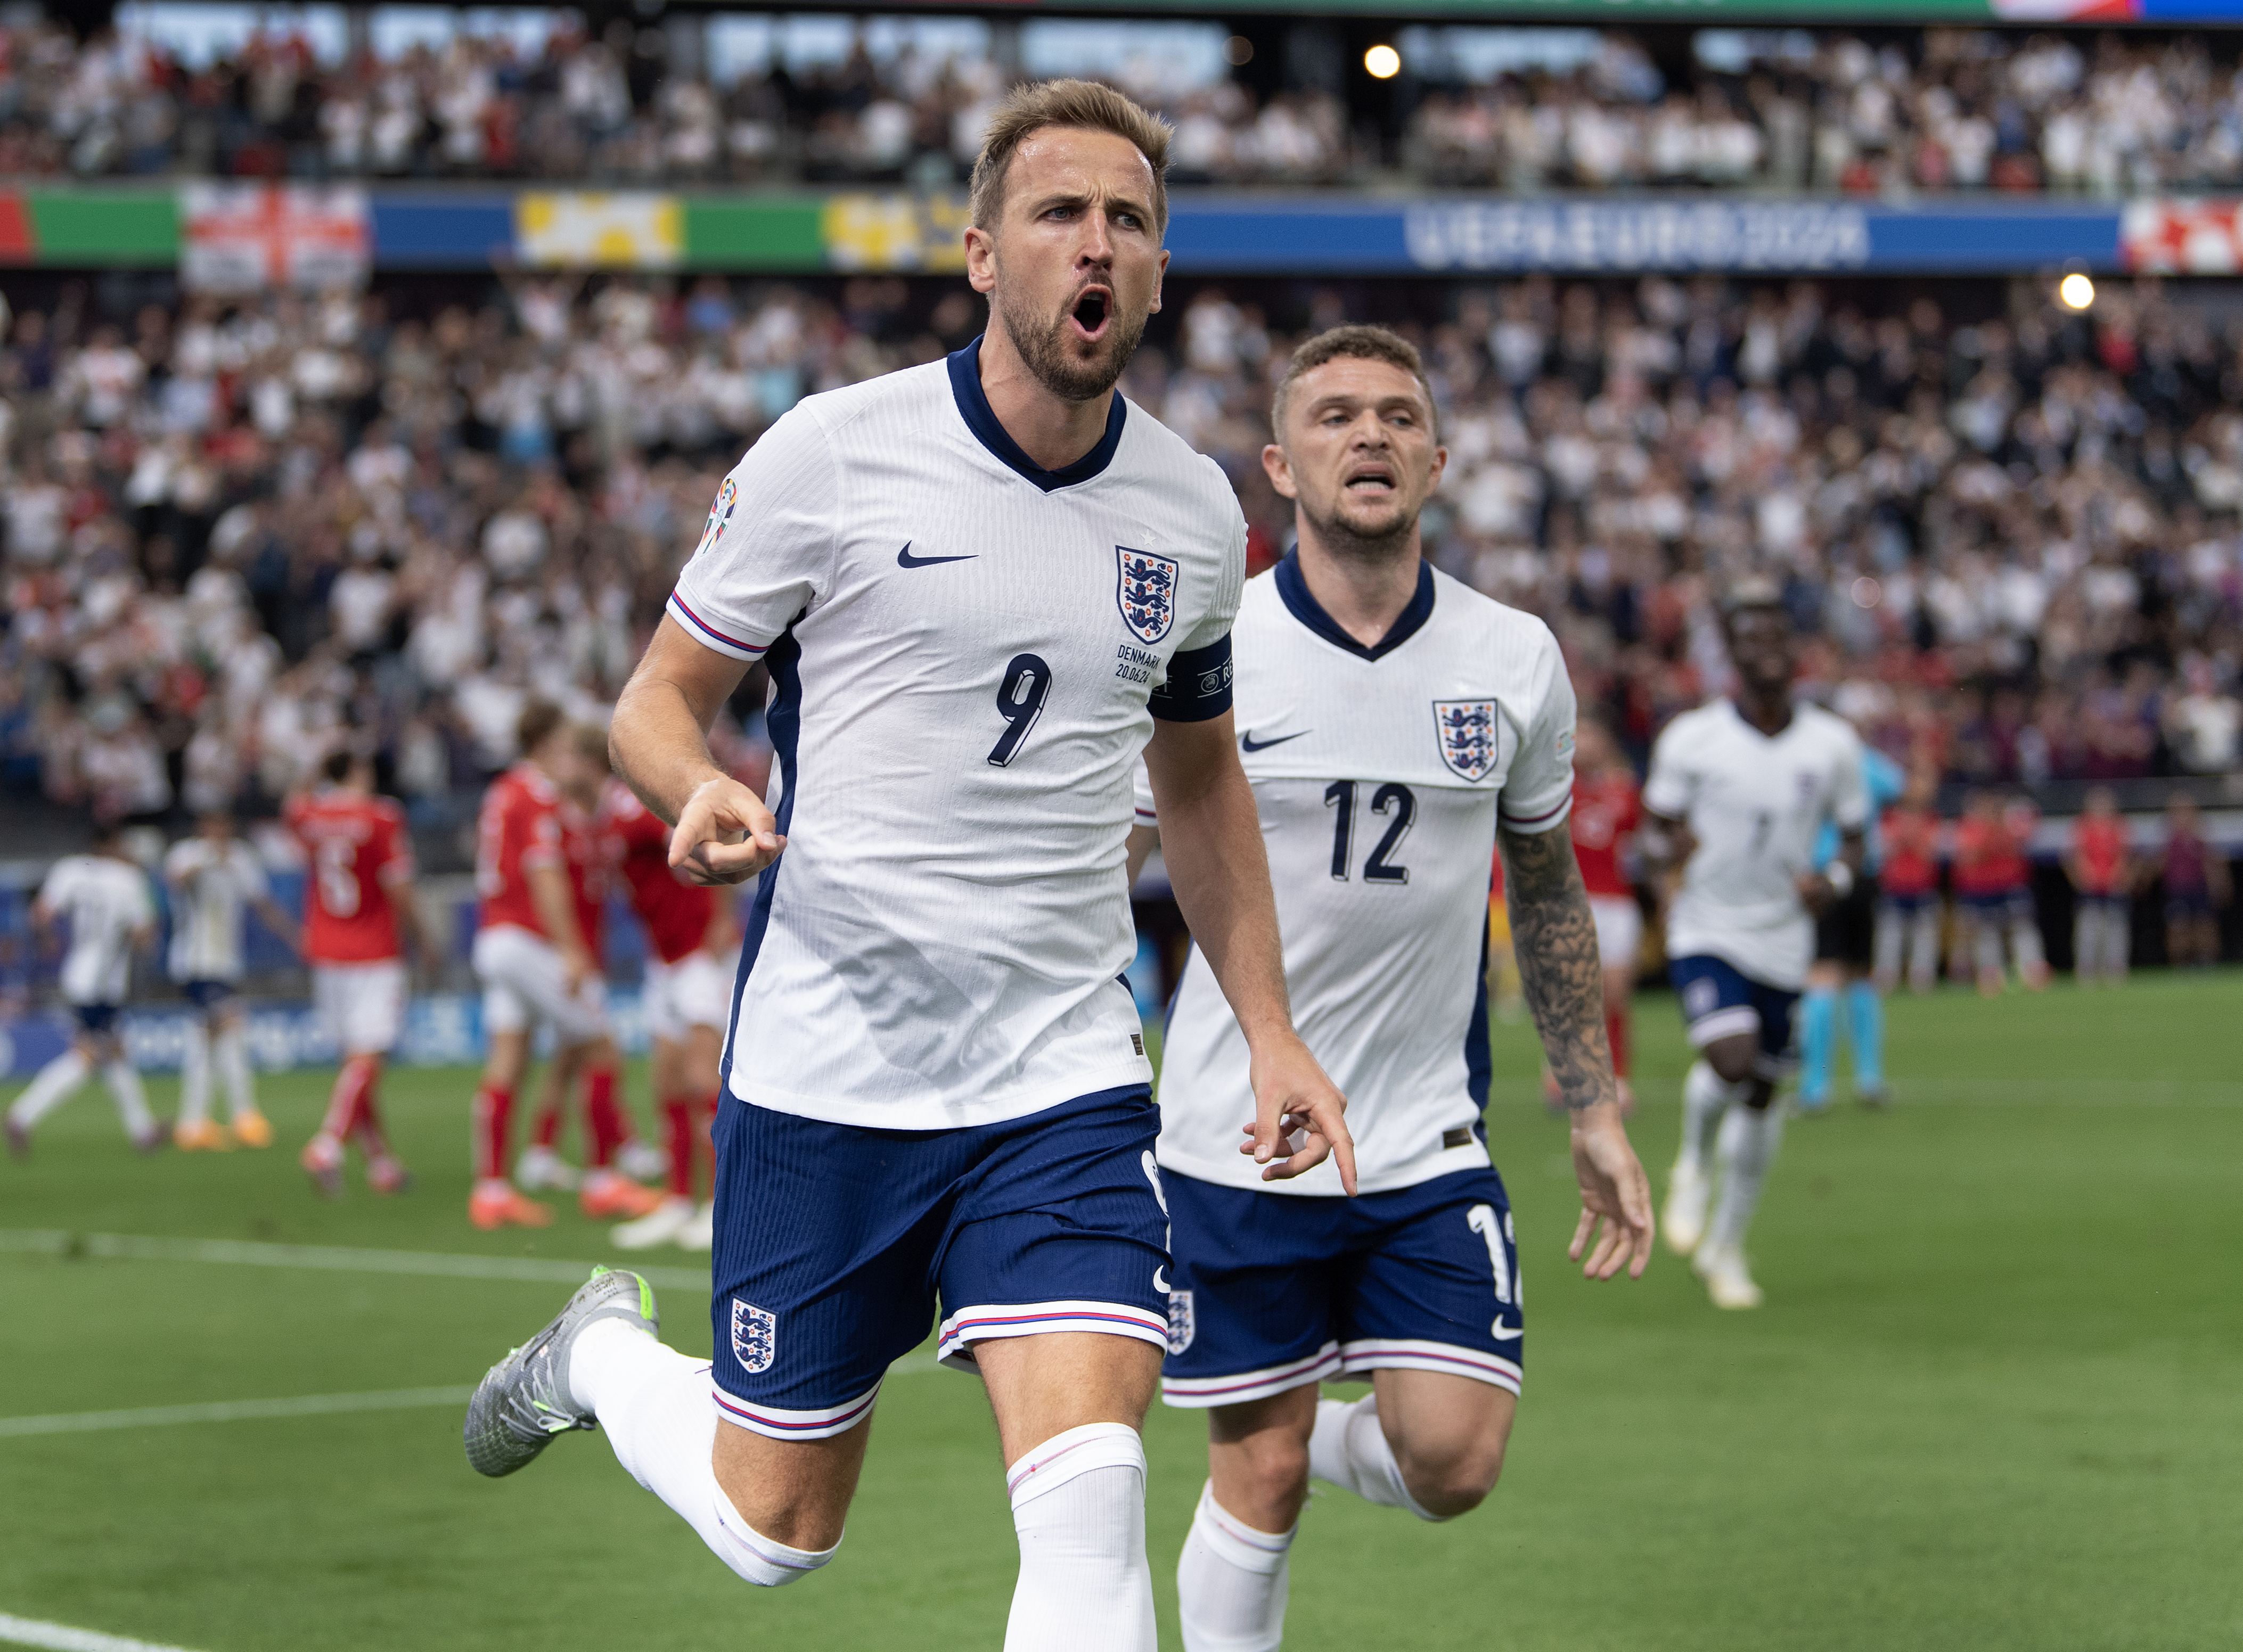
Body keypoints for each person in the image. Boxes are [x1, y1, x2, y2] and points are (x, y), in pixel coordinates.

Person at [462, 81, 1351, 1652]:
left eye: (1130, 219)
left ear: (1159, 272)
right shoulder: (834, 453)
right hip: (834, 1072)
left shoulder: (1198, 514)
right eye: (1061, 211)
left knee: (1088, 1505)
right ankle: (602, 1354)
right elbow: (653, 703)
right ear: (981, 253)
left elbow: (1203, 790)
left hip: (1062, 1083)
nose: (1099, 240)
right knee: (771, 1529)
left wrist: (1274, 1027)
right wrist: (699, 788)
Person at [1123, 325, 1652, 1652]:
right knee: (1260, 1470)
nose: (1368, 436)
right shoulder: (1211, 643)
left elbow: (1542, 882)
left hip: (1423, 1134)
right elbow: (1100, 855)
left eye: (1396, 417)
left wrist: (1588, 1104)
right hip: (1237, 1138)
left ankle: (1316, 1421)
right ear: (1277, 465)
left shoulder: (1511, 655)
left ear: (1436, 457)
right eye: (1335, 417)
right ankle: (1284, 1447)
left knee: (1455, 1461)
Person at [1646, 583, 1867, 1310]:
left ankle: (1727, 1246)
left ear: (1796, 654)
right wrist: (1669, 848)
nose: (1768, 652)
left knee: (1765, 1093)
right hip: (1707, 926)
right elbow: (1652, 832)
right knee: (1732, 1060)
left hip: (1784, 937)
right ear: (1733, 656)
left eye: (1779, 639)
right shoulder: (1692, 739)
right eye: (1752, 640)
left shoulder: (1831, 743)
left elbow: (1858, 839)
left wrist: (1831, 879)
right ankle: (1693, 1163)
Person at [466, 700, 661, 1230]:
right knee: (603, 1048)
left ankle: (491, 1190)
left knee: (509, 1057)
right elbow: (545, 876)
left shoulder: (504, 792)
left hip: (496, 934)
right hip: (528, 937)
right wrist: (573, 949)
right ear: (545, 743)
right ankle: (603, 1180)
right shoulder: (535, 796)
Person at [511, 724, 669, 1217]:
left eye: (566, 759)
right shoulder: (564, 815)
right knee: (602, 1051)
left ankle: (551, 1152)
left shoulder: (611, 811)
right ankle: (606, 1173)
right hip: (571, 955)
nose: (556, 769)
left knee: (575, 1054)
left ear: (589, 764)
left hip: (604, 953)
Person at [599, 758, 738, 1251]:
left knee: (707, 1080)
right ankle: (680, 1199)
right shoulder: (602, 816)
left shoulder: (630, 806)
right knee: (668, 1082)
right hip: (665, 959)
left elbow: (705, 833)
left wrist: (721, 915)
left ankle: (723, 1206)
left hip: (698, 953)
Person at [285, 750, 438, 1196]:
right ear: (359, 768)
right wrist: (424, 938)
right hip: (373, 950)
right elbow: (399, 884)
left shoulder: (311, 814)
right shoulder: (381, 816)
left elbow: (290, 806)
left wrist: (314, 764)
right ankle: (328, 1144)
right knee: (369, 1058)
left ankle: (381, 1164)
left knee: (355, 1065)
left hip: (325, 949)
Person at [5, 822, 162, 1157]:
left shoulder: (70, 870)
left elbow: (41, 913)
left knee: (114, 1052)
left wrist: (50, 942)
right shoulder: (129, 879)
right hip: (105, 983)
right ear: (112, 845)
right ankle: (22, 1114)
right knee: (89, 1055)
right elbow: (145, 938)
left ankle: (143, 1130)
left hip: (78, 974)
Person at [162, 810, 300, 1150]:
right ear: (203, 826)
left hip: (225, 961)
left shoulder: (241, 857)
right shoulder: (187, 854)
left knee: (208, 1038)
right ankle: (243, 1117)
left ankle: (194, 1123)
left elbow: (262, 902)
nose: (220, 830)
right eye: (214, 824)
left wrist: (295, 936)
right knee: (231, 1026)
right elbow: (177, 882)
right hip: (195, 960)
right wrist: (211, 859)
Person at [1798, 734, 1905, 1112]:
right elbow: (1898, 783)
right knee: (1861, 975)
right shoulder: (1862, 758)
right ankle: (1869, 1080)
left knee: (1822, 975)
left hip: (1822, 876)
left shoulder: (1804, 758)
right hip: (1863, 872)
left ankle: (1815, 1087)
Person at [1563, 714, 1644, 1112]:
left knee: (1615, 992)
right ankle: (1570, 1075)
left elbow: (1641, 844)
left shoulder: (1625, 790)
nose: (1585, 743)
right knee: (1577, 993)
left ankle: (1619, 1078)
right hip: (1574, 900)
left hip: (1618, 902)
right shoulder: (1557, 789)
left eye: (1591, 732)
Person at [1951, 791, 2046, 993]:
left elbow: (2025, 842)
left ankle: (2032, 972)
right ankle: (1991, 975)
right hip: (1981, 889)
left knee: (2023, 930)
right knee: (1986, 934)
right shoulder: (1970, 827)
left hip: (2010, 886)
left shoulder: (2010, 824)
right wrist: (1988, 838)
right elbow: (1969, 857)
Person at [1872, 767, 1943, 996]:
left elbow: (1930, 850)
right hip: (1895, 886)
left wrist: (1910, 837)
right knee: (1890, 936)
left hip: (1923, 885)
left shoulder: (1931, 818)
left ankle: (1922, 979)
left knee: (1924, 936)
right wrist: (1907, 837)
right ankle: (1886, 978)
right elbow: (1887, 849)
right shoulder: (1889, 817)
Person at [2066, 787, 2134, 987]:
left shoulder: (2119, 825)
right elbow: (2076, 855)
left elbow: (2124, 855)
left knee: (2116, 930)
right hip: (2091, 886)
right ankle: (2087, 971)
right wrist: (2087, 877)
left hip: (2114, 886)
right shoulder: (2082, 825)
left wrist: (2117, 876)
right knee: (2088, 930)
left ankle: (2115, 971)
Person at [2158, 795, 2230, 968]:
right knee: (2178, 927)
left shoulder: (2203, 834)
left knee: (2205, 926)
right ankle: (2180, 964)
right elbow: (2160, 864)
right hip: (2177, 889)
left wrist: (2220, 885)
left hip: (2199, 888)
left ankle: (2206, 963)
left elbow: (2214, 862)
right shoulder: (2168, 836)